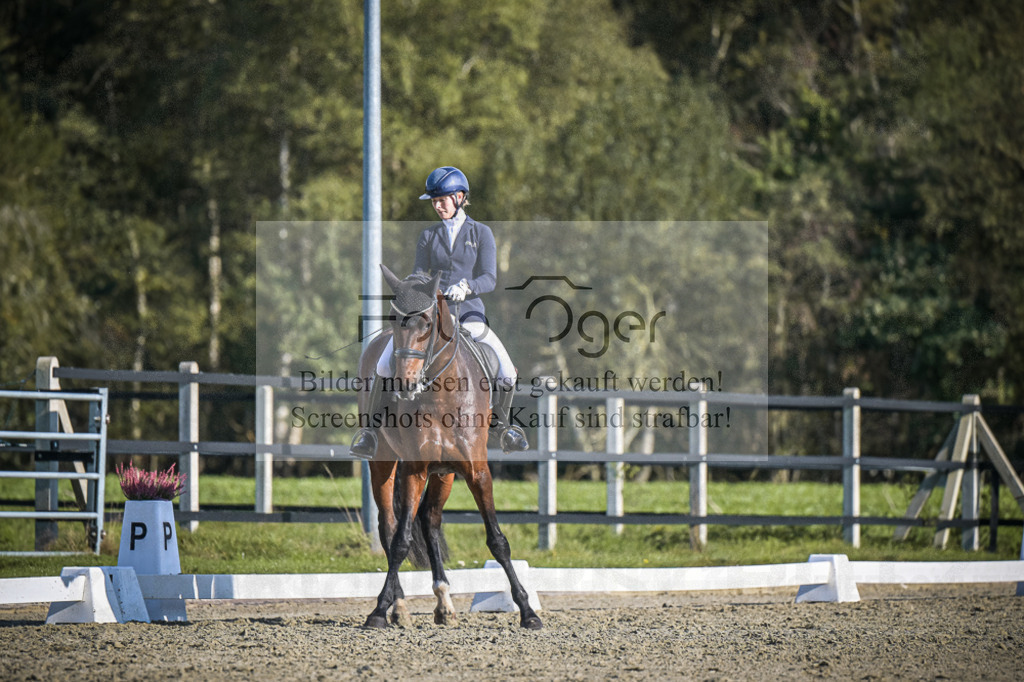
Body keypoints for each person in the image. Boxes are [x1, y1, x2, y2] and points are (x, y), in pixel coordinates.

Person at [350, 166, 529, 458]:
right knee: (384, 365)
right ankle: (369, 433)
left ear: (460, 197)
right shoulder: (428, 236)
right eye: (434, 201)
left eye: (442, 199)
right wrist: (415, 291)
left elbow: (489, 277)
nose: (437, 205)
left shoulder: (480, 233)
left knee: (507, 372)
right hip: (430, 317)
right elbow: (419, 273)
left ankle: (503, 427)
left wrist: (467, 286)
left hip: (469, 313)